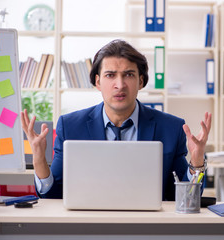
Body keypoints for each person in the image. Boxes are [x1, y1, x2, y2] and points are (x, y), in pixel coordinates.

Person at [21, 39, 212, 200]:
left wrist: (196, 164)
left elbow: (186, 198)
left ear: (140, 81)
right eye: (110, 75)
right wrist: (38, 159)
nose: (119, 85)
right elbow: (52, 195)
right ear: (97, 82)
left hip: (148, 228)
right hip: (89, 227)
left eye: (128, 75)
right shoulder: (71, 126)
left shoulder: (171, 128)